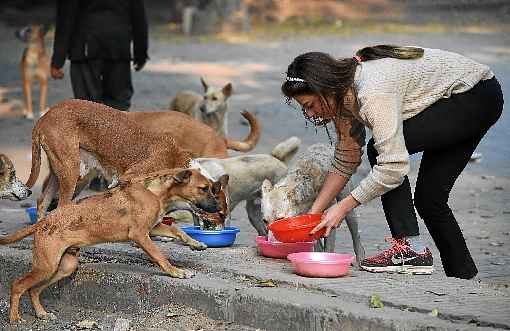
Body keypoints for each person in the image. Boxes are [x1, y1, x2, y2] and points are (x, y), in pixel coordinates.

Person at [281, 45, 503, 279]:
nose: (312, 114)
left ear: (324, 88)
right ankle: (463, 279)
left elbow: (392, 168)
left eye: (309, 105)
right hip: (470, 97)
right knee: (430, 200)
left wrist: (343, 206)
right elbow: (347, 158)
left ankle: (410, 251)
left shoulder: (372, 92)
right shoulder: (341, 96)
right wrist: (313, 216)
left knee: (380, 152)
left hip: (474, 95)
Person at [50, 0, 149, 111]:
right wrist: (141, 53)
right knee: (118, 106)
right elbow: (138, 15)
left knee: (87, 107)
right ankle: (116, 127)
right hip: (118, 47)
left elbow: (66, 17)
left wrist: (57, 60)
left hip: (85, 47)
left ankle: (94, 127)